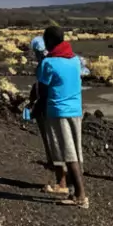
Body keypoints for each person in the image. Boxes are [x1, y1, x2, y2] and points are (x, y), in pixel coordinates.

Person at [35, 25, 89, 208]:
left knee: (67, 152)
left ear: (49, 41)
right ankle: (69, 187)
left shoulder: (48, 63)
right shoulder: (74, 60)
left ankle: (81, 196)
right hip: (76, 110)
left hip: (58, 111)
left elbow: (42, 90)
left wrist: (36, 108)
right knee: (74, 150)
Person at [25, 36, 62, 192]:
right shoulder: (52, 63)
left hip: (49, 109)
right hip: (51, 108)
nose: (38, 54)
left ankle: (62, 183)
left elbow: (45, 88)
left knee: (54, 146)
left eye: (38, 52)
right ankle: (62, 181)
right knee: (55, 145)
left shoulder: (47, 65)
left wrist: (35, 104)